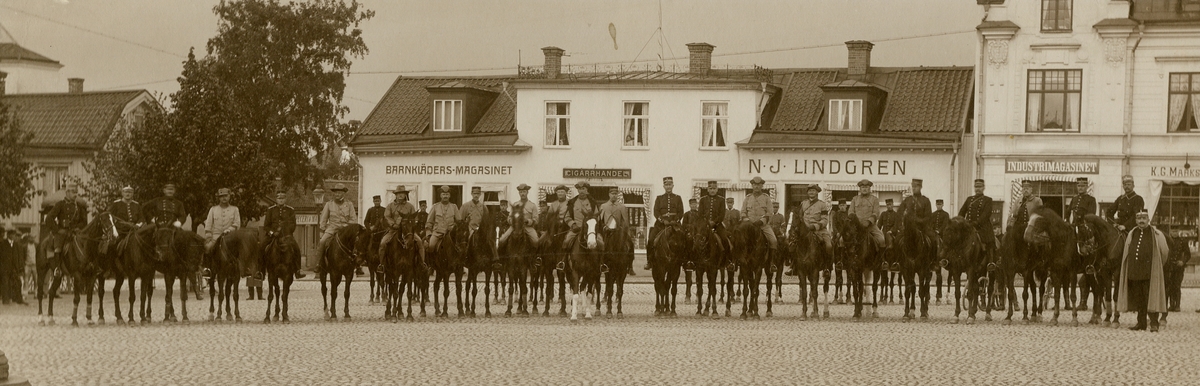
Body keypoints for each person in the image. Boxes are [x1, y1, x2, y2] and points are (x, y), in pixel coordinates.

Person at [1116, 210, 1168, 332]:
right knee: (1139, 299)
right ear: (1136, 220)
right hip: (1134, 273)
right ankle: (1141, 323)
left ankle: (1154, 323)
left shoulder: (1156, 234)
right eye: (1139, 218)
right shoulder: (1132, 233)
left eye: (1144, 218)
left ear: (1148, 219)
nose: (1141, 221)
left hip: (1150, 273)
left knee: (1151, 297)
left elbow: (1164, 252)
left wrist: (1157, 267)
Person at [314, 183, 358, 273]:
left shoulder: (349, 204)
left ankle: (358, 264)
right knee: (322, 242)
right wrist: (322, 230)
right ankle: (319, 264)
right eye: (336, 193)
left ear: (344, 194)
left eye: (339, 192)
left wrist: (346, 226)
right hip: (332, 228)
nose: (337, 194)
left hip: (346, 229)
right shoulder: (329, 204)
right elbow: (323, 219)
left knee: (358, 242)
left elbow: (353, 219)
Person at [262, 190, 305, 279]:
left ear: (285, 199)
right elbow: (266, 226)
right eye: (279, 198)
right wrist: (272, 233)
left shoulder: (290, 210)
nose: (281, 200)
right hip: (272, 236)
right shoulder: (270, 210)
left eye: (283, 198)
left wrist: (285, 233)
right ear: (276, 199)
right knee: (261, 247)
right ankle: (260, 271)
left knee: (296, 249)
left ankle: (298, 270)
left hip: (286, 236)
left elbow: (293, 225)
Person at [380, 186, 425, 269]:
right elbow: (387, 217)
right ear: (396, 195)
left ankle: (422, 263)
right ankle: (381, 265)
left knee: (419, 242)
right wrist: (393, 225)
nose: (400, 195)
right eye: (398, 193)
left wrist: (411, 225)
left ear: (405, 195)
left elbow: (415, 218)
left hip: (408, 231)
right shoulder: (390, 206)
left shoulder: (410, 206)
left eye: (403, 193)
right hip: (393, 230)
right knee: (383, 243)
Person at [202, 188, 241, 278]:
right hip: (216, 236)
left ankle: (245, 269)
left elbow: (237, 223)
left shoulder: (234, 209)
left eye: (226, 196)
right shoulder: (213, 209)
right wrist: (208, 235)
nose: (224, 198)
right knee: (207, 248)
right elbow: (208, 224)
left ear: (229, 196)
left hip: (230, 237)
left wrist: (229, 230)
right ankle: (207, 269)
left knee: (242, 249)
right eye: (221, 196)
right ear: (218, 198)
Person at [647, 177, 684, 271]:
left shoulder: (678, 198)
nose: (668, 186)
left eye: (670, 184)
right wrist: (663, 221)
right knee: (651, 239)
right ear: (664, 186)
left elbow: (681, 212)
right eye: (666, 185)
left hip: (674, 225)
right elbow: (656, 212)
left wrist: (675, 221)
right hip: (660, 225)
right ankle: (649, 261)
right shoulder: (659, 198)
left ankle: (685, 261)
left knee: (684, 239)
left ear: (673, 186)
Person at [44, 185, 88, 259]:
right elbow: (49, 218)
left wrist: (78, 227)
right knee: (58, 249)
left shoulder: (79, 206)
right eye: (73, 192)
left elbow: (84, 221)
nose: (75, 194)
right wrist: (58, 229)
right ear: (67, 192)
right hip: (63, 233)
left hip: (76, 232)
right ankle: (57, 268)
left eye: (76, 192)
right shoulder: (60, 205)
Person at [564, 181, 603, 254]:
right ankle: (563, 262)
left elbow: (597, 217)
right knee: (566, 242)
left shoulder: (592, 202)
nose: (581, 191)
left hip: (590, 231)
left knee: (601, 243)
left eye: (583, 188)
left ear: (586, 190)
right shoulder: (572, 202)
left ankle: (601, 263)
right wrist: (573, 225)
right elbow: (567, 217)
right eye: (579, 189)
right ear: (577, 190)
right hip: (576, 229)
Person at [959, 179, 996, 257]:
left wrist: (976, 222)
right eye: (976, 187)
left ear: (983, 188)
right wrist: (960, 221)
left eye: (980, 187)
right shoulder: (969, 199)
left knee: (989, 241)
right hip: (968, 226)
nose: (977, 189)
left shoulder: (988, 200)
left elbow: (986, 214)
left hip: (982, 226)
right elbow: (962, 212)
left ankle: (991, 262)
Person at [458, 186, 498, 260]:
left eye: (478, 193)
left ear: (480, 194)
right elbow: (461, 221)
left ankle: (494, 260)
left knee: (490, 241)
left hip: (482, 229)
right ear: (471, 194)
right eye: (474, 193)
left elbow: (486, 221)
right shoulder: (465, 206)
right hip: (470, 229)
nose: (476, 195)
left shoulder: (484, 207)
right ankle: (463, 260)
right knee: (465, 243)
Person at [598, 187, 628, 273]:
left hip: (618, 231)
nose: (614, 196)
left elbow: (625, 221)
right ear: (609, 195)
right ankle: (601, 264)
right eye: (612, 194)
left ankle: (629, 265)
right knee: (601, 245)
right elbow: (599, 221)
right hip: (607, 232)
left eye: (616, 194)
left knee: (628, 244)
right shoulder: (603, 206)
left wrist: (622, 229)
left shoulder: (621, 207)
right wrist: (604, 227)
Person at [499, 184, 539, 249]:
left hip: (527, 227)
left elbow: (536, 220)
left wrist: (528, 221)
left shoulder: (532, 205)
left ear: (527, 192)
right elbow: (509, 217)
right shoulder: (515, 204)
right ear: (519, 193)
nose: (522, 194)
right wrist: (513, 221)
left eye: (524, 192)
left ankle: (537, 257)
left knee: (536, 241)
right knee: (502, 240)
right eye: (521, 192)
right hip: (514, 227)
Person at [796, 184, 831, 255]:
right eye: (809, 191)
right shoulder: (803, 203)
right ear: (807, 192)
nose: (811, 192)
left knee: (828, 246)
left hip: (819, 231)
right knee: (792, 245)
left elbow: (825, 220)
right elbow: (799, 217)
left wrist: (815, 226)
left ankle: (828, 265)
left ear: (817, 192)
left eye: (813, 190)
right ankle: (793, 264)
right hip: (805, 231)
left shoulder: (822, 204)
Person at [850, 179, 885, 248]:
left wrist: (869, 221)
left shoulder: (874, 199)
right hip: (856, 227)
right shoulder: (855, 199)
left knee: (881, 240)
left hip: (870, 227)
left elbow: (876, 212)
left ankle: (881, 258)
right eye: (863, 187)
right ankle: (842, 257)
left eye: (866, 187)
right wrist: (855, 221)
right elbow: (850, 212)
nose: (864, 189)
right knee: (842, 240)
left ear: (869, 188)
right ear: (860, 189)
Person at [898, 178, 934, 243]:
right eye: (913, 186)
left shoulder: (925, 201)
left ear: (920, 187)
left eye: (916, 186)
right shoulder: (907, 200)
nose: (914, 188)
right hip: (907, 229)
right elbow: (899, 213)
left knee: (933, 240)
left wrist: (918, 220)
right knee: (897, 240)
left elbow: (928, 217)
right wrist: (901, 226)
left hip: (922, 228)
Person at [425, 186, 459, 253]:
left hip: (450, 234)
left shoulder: (454, 207)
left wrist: (454, 228)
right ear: (440, 195)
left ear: (450, 196)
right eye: (443, 194)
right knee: (431, 246)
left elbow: (459, 221)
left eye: (447, 194)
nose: (445, 196)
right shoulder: (435, 207)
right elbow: (429, 222)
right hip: (437, 233)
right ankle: (431, 263)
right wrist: (428, 234)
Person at [698, 181, 729, 252]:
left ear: (717, 189)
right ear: (707, 189)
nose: (712, 190)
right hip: (705, 225)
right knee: (697, 239)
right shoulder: (703, 200)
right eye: (710, 188)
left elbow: (722, 214)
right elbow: (700, 214)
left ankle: (728, 260)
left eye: (714, 188)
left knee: (724, 239)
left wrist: (714, 222)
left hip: (717, 225)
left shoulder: (721, 200)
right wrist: (707, 222)